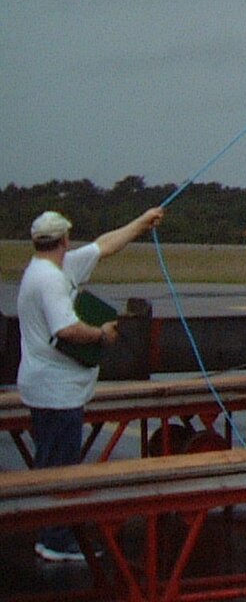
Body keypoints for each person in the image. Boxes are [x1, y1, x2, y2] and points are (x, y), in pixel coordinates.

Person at [19, 205, 165, 563]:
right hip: (55, 392)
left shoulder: (53, 266)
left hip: (53, 387)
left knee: (54, 460)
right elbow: (66, 329)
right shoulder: (50, 279)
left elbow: (104, 246)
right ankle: (54, 538)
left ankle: (52, 529)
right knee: (59, 466)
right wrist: (101, 333)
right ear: (65, 240)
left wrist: (141, 222)